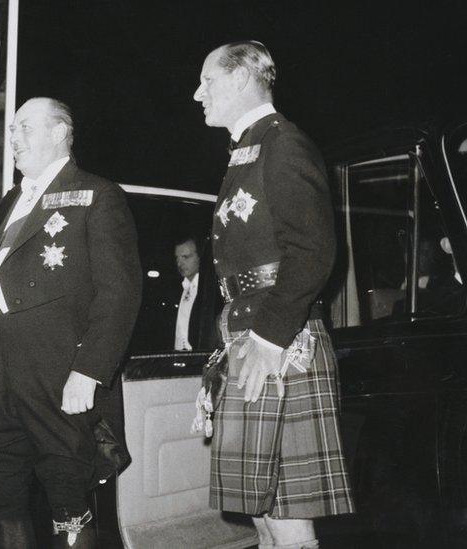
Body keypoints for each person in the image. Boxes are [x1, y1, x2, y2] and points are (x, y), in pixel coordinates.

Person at [0, 97, 142, 548]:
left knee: (68, 502)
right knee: (4, 501)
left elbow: (120, 291)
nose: (13, 138)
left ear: (59, 132)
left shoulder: (97, 194)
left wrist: (89, 370)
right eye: (12, 130)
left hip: (58, 377)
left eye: (25, 127)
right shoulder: (10, 203)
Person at [193, 41, 354, 547]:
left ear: (241, 78)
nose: (198, 93)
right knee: (265, 519)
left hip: (279, 344)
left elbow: (312, 251)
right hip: (252, 338)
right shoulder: (249, 147)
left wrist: (266, 339)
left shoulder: (283, 143)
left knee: (286, 523)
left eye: (208, 81)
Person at [172, 235, 221, 351]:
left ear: (200, 257)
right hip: (177, 358)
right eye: (177, 258)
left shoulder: (211, 290)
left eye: (185, 257)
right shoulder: (178, 289)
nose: (180, 263)